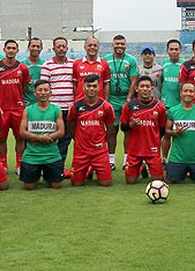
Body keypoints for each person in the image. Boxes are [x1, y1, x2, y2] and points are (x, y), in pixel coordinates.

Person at [0, 39, 30, 173]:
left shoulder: (22, 68)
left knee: (20, 137)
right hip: (2, 109)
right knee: (1, 138)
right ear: (4, 50)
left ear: (17, 50)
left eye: (14, 48)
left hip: (18, 108)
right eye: (9, 48)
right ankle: (3, 164)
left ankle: (19, 164)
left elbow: (24, 87)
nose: (11, 50)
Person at [67, 74, 116, 186]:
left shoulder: (106, 106)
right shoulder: (75, 106)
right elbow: (71, 126)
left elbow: (110, 130)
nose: (91, 89)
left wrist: (103, 144)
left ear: (99, 88)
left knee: (106, 183)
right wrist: (78, 140)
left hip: (99, 151)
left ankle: (93, 167)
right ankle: (89, 169)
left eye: (94, 86)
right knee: (76, 183)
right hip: (81, 151)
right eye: (88, 86)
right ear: (83, 87)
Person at [19, 80, 66, 190]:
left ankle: (48, 175)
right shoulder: (28, 110)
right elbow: (22, 132)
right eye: (40, 90)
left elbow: (61, 132)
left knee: (57, 185)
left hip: (52, 155)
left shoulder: (56, 109)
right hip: (32, 155)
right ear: (35, 93)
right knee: (28, 187)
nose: (43, 93)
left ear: (51, 93)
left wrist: (46, 138)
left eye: (46, 90)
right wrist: (39, 138)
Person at [120, 75, 167, 184]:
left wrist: (154, 140)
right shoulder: (129, 106)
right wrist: (131, 125)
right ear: (136, 89)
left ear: (151, 89)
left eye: (147, 86)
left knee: (158, 181)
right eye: (142, 86)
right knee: (130, 181)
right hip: (134, 150)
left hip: (152, 150)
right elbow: (123, 127)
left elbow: (162, 129)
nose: (145, 89)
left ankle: (149, 166)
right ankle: (141, 168)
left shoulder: (159, 106)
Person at [164, 82, 195, 183]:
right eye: (185, 91)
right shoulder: (172, 111)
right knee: (170, 181)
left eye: (191, 91)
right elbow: (167, 131)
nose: (188, 94)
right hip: (177, 158)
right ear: (180, 93)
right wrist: (175, 132)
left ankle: (191, 171)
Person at [105, 35, 138, 170]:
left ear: (126, 45)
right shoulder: (106, 60)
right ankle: (111, 160)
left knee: (128, 130)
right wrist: (106, 101)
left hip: (126, 99)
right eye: (117, 44)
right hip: (111, 99)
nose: (119, 46)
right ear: (112, 45)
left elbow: (134, 80)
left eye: (122, 44)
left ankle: (126, 160)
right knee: (111, 131)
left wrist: (129, 99)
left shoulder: (131, 60)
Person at [40, 36, 75, 160]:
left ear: (67, 48)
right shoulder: (47, 65)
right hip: (54, 109)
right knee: (50, 138)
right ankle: (48, 166)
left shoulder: (73, 64)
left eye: (63, 46)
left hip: (70, 108)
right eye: (58, 46)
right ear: (53, 48)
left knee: (66, 140)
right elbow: (43, 88)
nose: (61, 49)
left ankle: (59, 168)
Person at [161, 39, 183, 109]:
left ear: (180, 51)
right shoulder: (164, 63)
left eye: (176, 49)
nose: (174, 51)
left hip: (180, 105)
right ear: (167, 51)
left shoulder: (185, 64)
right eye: (171, 49)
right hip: (165, 104)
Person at [22, 37, 45, 106]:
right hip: (26, 104)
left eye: (38, 46)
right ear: (28, 47)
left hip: (42, 104)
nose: (35, 48)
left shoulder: (45, 65)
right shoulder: (22, 65)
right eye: (33, 46)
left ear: (41, 48)